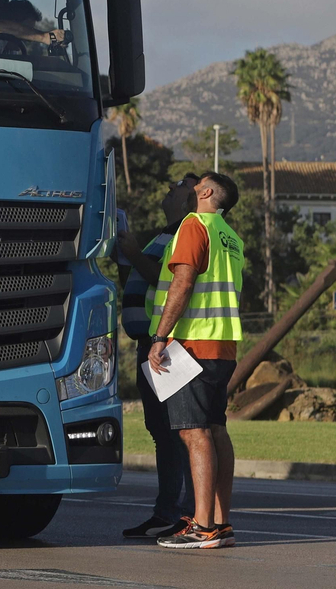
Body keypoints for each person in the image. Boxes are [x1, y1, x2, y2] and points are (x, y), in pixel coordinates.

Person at [147, 171, 244, 550]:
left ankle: (202, 526)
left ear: (205, 193)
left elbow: (183, 282)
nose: (187, 189)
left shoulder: (193, 225)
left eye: (192, 184)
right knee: (215, 429)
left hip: (191, 344)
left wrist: (159, 338)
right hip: (223, 344)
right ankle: (220, 522)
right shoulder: (231, 236)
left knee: (194, 431)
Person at [117, 174, 199, 539]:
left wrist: (134, 253)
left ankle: (185, 512)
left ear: (190, 200)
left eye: (182, 183)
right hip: (149, 345)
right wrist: (127, 259)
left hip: (166, 347)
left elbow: (168, 282)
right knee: (162, 433)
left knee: (178, 431)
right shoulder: (164, 235)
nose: (171, 184)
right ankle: (167, 510)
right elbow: (139, 282)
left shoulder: (185, 232)